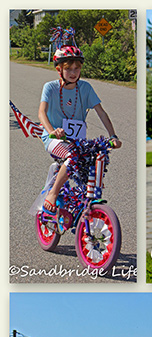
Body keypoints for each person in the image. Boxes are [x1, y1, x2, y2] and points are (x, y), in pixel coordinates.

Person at [37, 45, 121, 215]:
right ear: (59, 69)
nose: (73, 73)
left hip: (77, 141)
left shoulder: (85, 88)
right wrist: (52, 131)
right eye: (68, 69)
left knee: (97, 157)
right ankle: (52, 194)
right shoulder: (50, 87)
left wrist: (113, 136)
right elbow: (41, 113)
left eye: (77, 68)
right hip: (54, 139)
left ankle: (88, 199)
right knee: (73, 155)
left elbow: (102, 113)